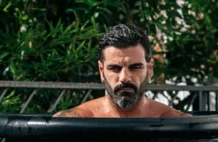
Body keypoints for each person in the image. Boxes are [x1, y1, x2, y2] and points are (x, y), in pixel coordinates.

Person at [53, 24, 190, 118]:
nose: (124, 77)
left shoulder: (173, 121)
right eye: (115, 68)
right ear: (101, 71)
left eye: (135, 67)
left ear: (150, 69)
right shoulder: (78, 120)